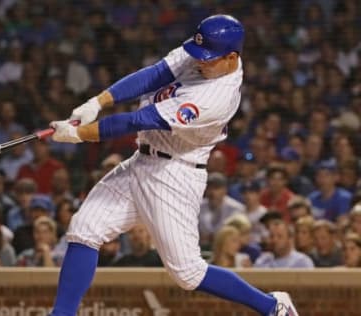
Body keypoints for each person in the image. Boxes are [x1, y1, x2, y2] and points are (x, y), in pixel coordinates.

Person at [48, 14, 298, 316]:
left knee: (188, 273)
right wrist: (98, 102)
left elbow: (139, 119)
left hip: (174, 175)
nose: (200, 61)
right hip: (142, 160)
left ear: (232, 57)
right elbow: (155, 74)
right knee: (84, 229)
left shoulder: (214, 98)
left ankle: (273, 307)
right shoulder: (208, 51)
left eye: (208, 58)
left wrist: (78, 134)